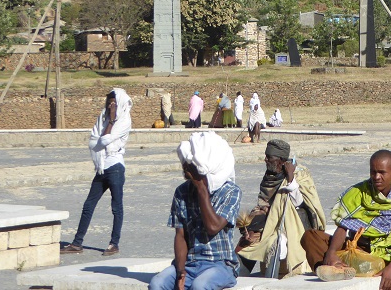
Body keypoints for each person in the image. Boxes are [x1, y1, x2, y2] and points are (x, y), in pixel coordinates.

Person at [301, 150, 391, 289]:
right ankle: (336, 269)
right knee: (311, 237)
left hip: (387, 255)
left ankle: (337, 267)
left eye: (382, 172)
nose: (376, 177)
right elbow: (343, 225)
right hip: (357, 249)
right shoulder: (357, 192)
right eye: (373, 172)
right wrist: (332, 252)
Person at [150, 132, 241, 290]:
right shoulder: (182, 192)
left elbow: (213, 226)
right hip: (190, 264)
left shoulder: (230, 192)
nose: (185, 166)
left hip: (220, 265)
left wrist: (201, 188)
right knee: (157, 283)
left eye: (190, 164)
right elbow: (180, 235)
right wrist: (180, 272)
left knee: (200, 286)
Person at [237, 140, 326, 277]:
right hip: (269, 224)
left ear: (281, 160)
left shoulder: (300, 174)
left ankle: (271, 281)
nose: (265, 159)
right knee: (246, 243)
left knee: (276, 243)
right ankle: (237, 278)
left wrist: (290, 179)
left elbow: (301, 204)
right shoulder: (269, 177)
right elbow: (263, 205)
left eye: (269, 157)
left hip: (293, 225)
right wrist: (250, 228)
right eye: (266, 156)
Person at [61, 88, 132, 257]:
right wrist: (108, 124)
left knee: (116, 208)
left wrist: (112, 120)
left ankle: (114, 244)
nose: (110, 106)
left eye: (114, 103)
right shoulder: (103, 117)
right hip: (102, 168)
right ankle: (77, 243)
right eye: (109, 103)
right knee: (88, 205)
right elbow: (94, 141)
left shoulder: (124, 120)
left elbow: (105, 139)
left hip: (115, 167)